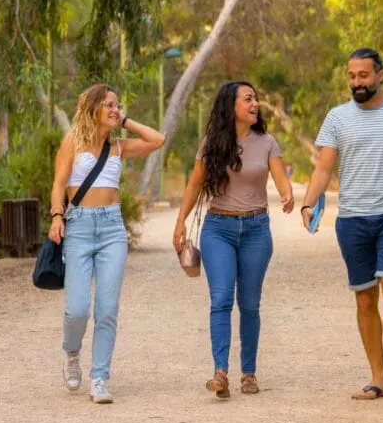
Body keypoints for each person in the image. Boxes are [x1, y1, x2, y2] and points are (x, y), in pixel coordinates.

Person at [300, 48, 383, 406]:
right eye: (352, 76)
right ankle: (376, 377)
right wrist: (308, 202)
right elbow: (324, 168)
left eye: (363, 75)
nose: (356, 82)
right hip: (352, 218)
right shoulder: (337, 118)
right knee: (364, 297)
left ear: (380, 75)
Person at [173, 81, 294, 398]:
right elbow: (194, 185)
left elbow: (281, 179)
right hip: (218, 229)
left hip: (256, 228)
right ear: (232, 107)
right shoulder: (211, 144)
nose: (255, 104)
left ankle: (249, 373)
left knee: (250, 304)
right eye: (248, 99)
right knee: (222, 300)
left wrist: (288, 195)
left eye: (256, 98)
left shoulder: (267, 142)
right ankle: (220, 372)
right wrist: (179, 222)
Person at [48, 83, 166, 404]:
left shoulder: (118, 146)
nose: (115, 110)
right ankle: (72, 352)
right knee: (77, 310)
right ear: (92, 109)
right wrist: (57, 215)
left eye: (118, 105)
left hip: (113, 228)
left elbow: (158, 140)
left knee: (107, 309)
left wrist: (125, 122)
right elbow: (59, 184)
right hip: (80, 228)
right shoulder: (72, 142)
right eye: (109, 105)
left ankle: (99, 378)